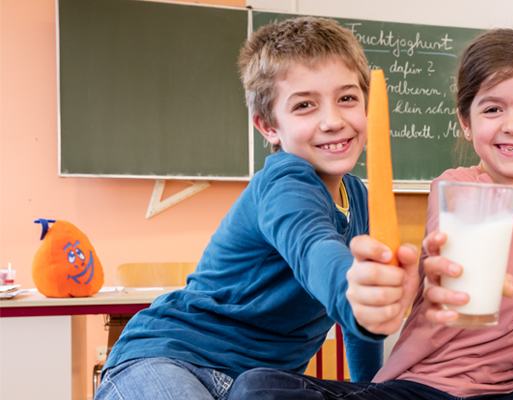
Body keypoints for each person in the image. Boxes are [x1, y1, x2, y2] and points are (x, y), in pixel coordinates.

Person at [228, 28, 513, 400]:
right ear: (467, 122)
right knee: (260, 386)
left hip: (507, 392)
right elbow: (460, 252)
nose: (512, 125)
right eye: (493, 109)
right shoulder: (456, 187)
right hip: (423, 387)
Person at [95, 17, 420, 400]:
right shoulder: (284, 182)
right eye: (304, 105)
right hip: (168, 359)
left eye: (347, 98)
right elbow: (315, 248)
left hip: (255, 386)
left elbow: (357, 330)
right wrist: (353, 292)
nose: (333, 121)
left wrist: (371, 388)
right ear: (268, 126)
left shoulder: (359, 199)